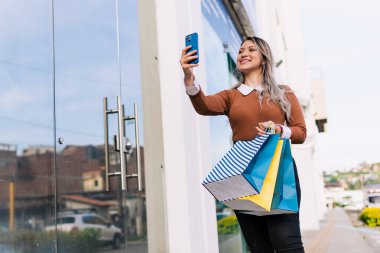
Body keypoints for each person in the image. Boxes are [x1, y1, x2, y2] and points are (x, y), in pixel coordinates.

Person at [179, 36, 307, 253]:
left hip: (277, 173)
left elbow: (301, 132)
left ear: (264, 58)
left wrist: (279, 130)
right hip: (242, 176)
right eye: (240, 51)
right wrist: (189, 78)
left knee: (287, 245)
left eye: (251, 50)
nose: (243, 54)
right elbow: (204, 105)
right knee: (259, 247)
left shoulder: (284, 92)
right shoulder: (231, 95)